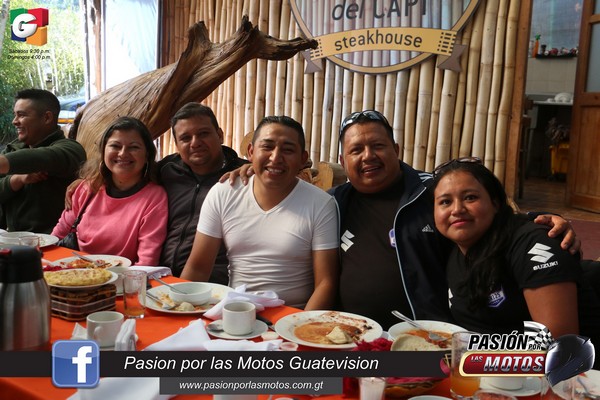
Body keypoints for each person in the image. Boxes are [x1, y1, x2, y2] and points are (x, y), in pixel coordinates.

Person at [332, 110, 579, 330]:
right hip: (352, 334)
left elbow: (489, 218)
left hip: (429, 336)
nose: (368, 156)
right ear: (343, 162)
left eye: (378, 145)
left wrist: (539, 222)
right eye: (356, 150)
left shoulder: (432, 190)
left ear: (396, 151)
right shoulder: (333, 204)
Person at [181, 116, 339, 310]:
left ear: (302, 159)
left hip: (293, 315)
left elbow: (326, 283)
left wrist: (300, 324)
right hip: (236, 313)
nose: (275, 158)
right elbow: (198, 268)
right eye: (267, 147)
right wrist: (180, 311)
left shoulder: (321, 204)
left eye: (288, 150)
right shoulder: (224, 193)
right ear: (251, 152)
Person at [432, 157, 580, 338]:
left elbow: (558, 344)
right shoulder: (449, 246)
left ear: (495, 203)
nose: (457, 209)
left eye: (470, 197)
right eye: (445, 202)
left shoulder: (532, 245)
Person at [52, 117, 167, 266]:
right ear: (103, 151)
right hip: (73, 272)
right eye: (115, 146)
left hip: (123, 278)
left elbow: (147, 262)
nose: (123, 153)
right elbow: (56, 238)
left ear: (147, 155)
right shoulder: (86, 189)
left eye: (134, 147)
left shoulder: (155, 197)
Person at [158, 103, 248, 281]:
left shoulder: (242, 177)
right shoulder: (166, 170)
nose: (195, 143)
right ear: (176, 144)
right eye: (185, 138)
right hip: (162, 278)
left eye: (203, 134)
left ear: (220, 135)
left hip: (216, 284)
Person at [0, 89, 86, 233]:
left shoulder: (71, 150)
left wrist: (5, 164)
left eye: (22, 115)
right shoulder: (13, 149)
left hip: (54, 240)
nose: (15, 121)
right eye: (15, 115)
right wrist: (17, 180)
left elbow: (43, 158)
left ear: (47, 118)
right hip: (12, 239)